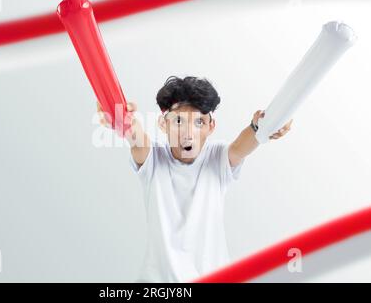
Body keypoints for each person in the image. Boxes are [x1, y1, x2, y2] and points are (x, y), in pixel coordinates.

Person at [97, 76, 292, 282]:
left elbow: (243, 144)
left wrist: (267, 124)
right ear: (163, 124)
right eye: (178, 121)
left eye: (199, 122)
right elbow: (136, 138)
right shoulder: (152, 159)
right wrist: (121, 119)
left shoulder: (218, 159)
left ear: (211, 126)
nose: (188, 133)